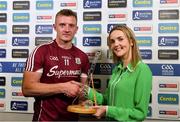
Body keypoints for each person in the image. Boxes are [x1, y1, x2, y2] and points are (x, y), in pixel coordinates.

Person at [22, 9, 90, 121]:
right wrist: (63, 87)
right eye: (62, 25)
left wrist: (87, 100)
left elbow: (83, 93)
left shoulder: (82, 56)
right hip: (45, 119)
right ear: (55, 27)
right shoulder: (41, 51)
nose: (67, 29)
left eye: (71, 26)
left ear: (76, 29)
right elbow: (27, 88)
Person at [87, 25, 152, 121]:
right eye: (112, 41)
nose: (116, 44)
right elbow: (107, 100)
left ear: (131, 42)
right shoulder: (117, 70)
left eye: (120, 39)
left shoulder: (142, 70)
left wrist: (108, 110)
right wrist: (87, 91)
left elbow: (140, 113)